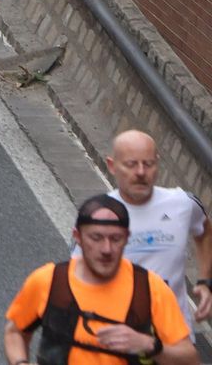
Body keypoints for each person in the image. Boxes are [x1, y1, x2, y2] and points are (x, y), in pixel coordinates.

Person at [5, 195, 197, 365]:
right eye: (96, 238)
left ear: (127, 238)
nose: (106, 249)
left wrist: (149, 344)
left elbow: (189, 359)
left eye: (115, 239)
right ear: (78, 237)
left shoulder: (151, 289)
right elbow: (14, 332)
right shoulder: (48, 280)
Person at [88, 130, 212, 328]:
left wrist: (206, 282)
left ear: (157, 163)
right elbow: (77, 280)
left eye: (148, 164)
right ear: (112, 166)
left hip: (175, 336)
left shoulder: (181, 203)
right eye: (131, 164)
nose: (140, 172)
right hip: (119, 336)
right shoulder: (96, 215)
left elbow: (205, 232)